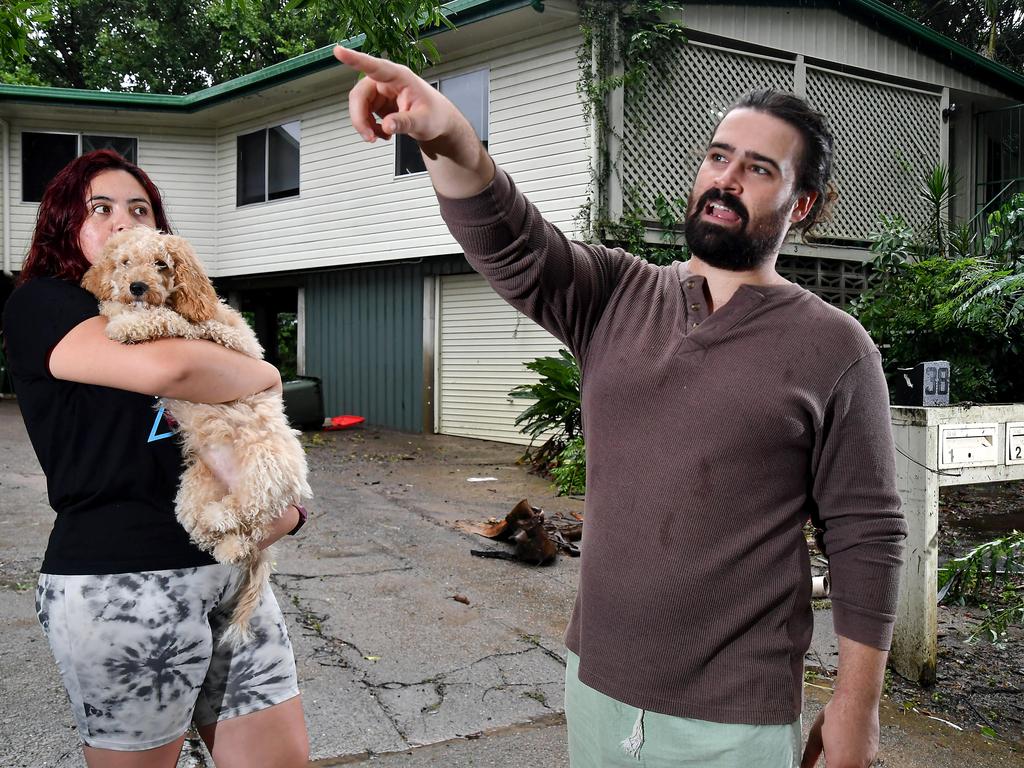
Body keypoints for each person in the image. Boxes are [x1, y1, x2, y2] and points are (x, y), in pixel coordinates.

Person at [334, 47, 907, 768]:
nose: (725, 179)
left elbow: (867, 534)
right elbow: (512, 241)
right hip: (596, 686)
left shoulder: (833, 347)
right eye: (719, 156)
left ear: (802, 205)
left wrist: (859, 706)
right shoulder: (616, 293)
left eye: (758, 169)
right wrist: (446, 134)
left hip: (734, 720)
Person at [2, 149, 310, 768]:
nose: (124, 220)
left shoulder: (175, 308)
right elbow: (173, 367)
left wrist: (290, 515)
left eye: (139, 209)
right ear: (66, 223)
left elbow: (235, 416)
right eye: (101, 208)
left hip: (232, 570)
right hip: (122, 577)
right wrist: (269, 372)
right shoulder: (46, 304)